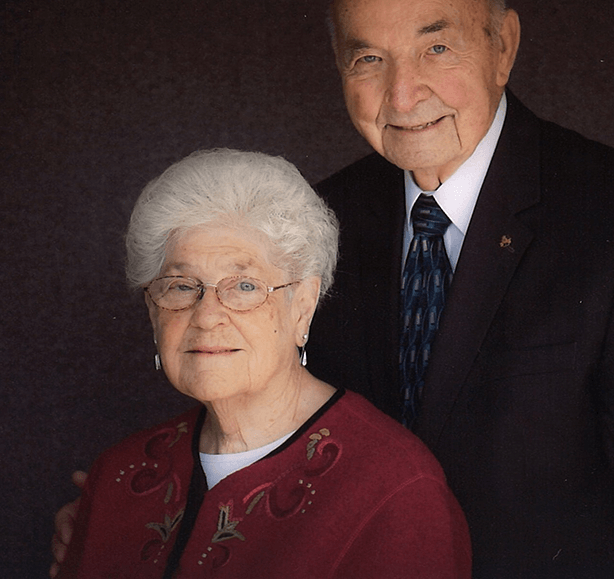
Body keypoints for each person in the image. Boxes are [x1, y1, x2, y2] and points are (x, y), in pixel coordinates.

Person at [53, 0, 614, 578]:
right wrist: (129, 522)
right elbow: (261, 418)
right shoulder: (319, 218)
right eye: (368, 59)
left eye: (436, 48)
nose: (403, 94)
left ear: (503, 46)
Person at [54, 148, 471, 578]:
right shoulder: (118, 475)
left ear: (303, 306)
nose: (207, 316)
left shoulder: (396, 490)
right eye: (180, 286)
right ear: (152, 308)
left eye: (245, 286)